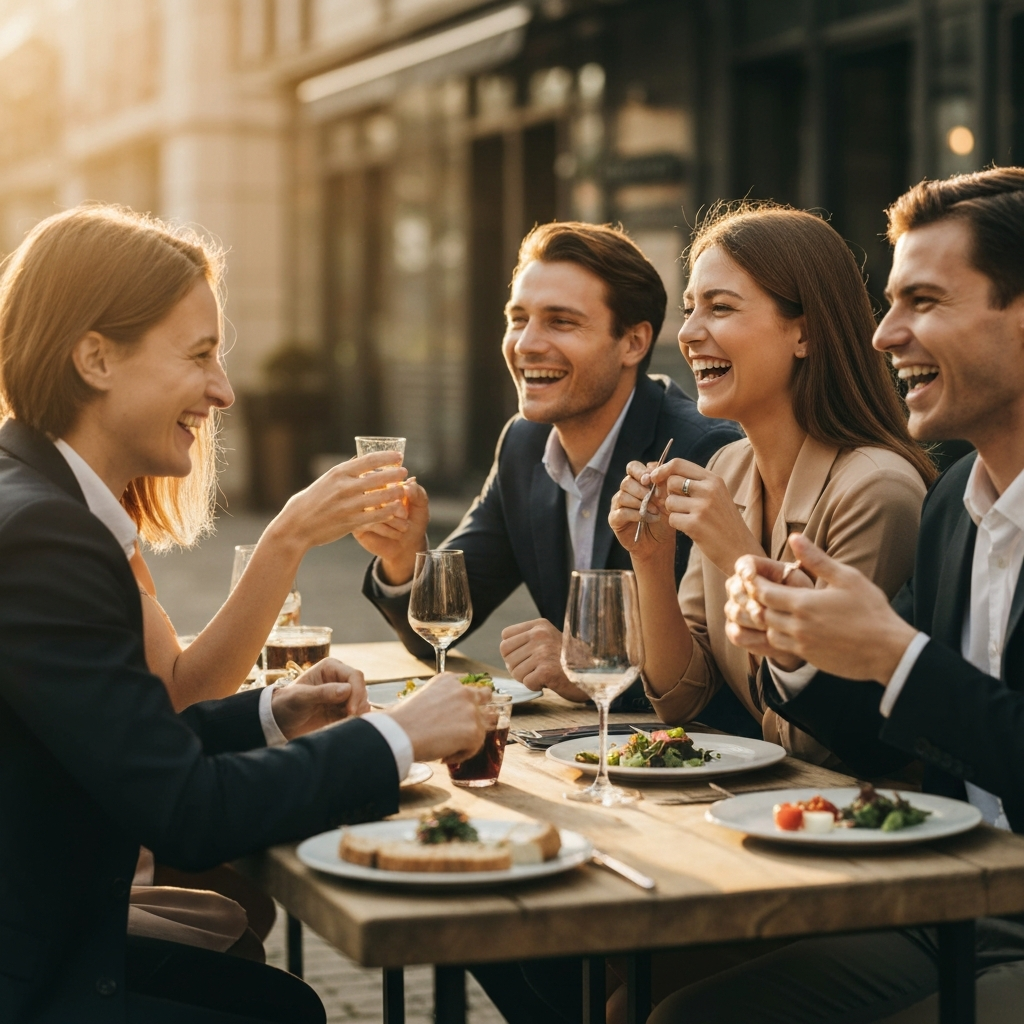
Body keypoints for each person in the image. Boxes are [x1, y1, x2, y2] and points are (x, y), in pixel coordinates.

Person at [0, 205, 491, 1024]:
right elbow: (185, 811)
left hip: (48, 937)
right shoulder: (46, 534)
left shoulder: (42, 502)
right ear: (94, 358)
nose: (224, 391)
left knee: (284, 1006)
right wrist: (401, 735)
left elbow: (121, 741)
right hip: (34, 973)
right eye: (199, 357)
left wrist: (273, 711)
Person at [656, 167, 1024, 1023]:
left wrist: (897, 655)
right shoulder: (953, 508)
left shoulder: (892, 488)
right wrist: (803, 648)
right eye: (889, 303)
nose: (885, 333)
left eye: (924, 302)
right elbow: (893, 742)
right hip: (948, 899)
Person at [357, 220, 745, 722]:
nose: (525, 344)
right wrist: (401, 555)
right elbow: (437, 628)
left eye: (560, 322)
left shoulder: (702, 452)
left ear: (633, 342)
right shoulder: (524, 442)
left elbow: (726, 683)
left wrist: (590, 670)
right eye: (518, 319)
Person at [608, 203, 934, 763]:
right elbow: (681, 699)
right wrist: (651, 560)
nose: (688, 333)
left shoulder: (877, 491)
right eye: (690, 309)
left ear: (804, 333)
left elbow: (817, 739)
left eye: (721, 308)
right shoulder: (727, 468)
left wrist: (737, 554)